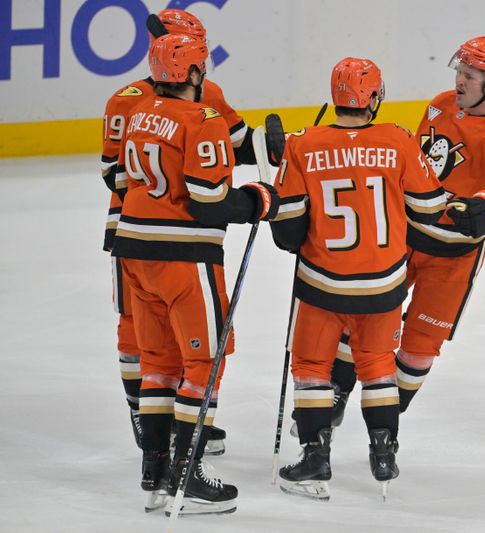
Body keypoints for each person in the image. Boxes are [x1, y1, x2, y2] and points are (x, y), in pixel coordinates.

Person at [112, 33, 279, 515]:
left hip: (134, 251)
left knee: (159, 364)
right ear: (192, 74)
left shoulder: (139, 113)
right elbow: (209, 203)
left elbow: (120, 180)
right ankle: (188, 477)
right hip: (183, 257)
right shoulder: (202, 119)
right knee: (203, 365)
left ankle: (155, 474)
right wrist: (259, 201)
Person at [326, 36, 485, 421]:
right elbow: (413, 162)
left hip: (454, 257)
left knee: (421, 345)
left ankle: (386, 420)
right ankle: (337, 393)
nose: (460, 80)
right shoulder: (439, 105)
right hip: (403, 238)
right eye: (460, 69)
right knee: (361, 315)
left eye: (471, 74)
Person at [270, 57, 447, 500]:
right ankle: (383, 451)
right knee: (378, 366)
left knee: (312, 368)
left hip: (322, 283)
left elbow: (286, 231)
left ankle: (315, 458)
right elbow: (429, 209)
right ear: (374, 97)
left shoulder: (304, 144)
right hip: (384, 286)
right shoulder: (400, 140)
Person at [100, 9, 256, 455]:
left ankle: (178, 428)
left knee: (166, 343)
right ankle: (153, 420)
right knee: (148, 335)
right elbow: (119, 177)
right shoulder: (129, 99)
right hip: (166, 233)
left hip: (139, 229)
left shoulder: (189, 99)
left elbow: (238, 144)